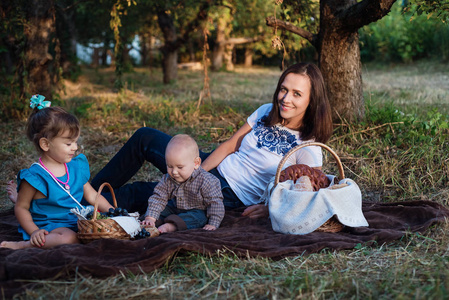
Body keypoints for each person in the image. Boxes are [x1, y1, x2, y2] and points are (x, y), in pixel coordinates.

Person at [88, 62, 333, 219]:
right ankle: (85, 191)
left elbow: (308, 195)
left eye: (297, 94)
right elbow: (229, 146)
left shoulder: (308, 145)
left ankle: (83, 208)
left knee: (142, 193)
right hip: (212, 167)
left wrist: (268, 210)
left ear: (312, 101)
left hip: (229, 192)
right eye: (283, 89)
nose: (285, 98)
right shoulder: (265, 111)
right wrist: (197, 172)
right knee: (145, 138)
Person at [1, 95, 114, 250]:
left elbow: (93, 196)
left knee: (99, 228)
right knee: (69, 238)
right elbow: (21, 207)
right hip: (50, 226)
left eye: (75, 142)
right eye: (68, 143)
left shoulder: (74, 167)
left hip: (75, 221)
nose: (75, 147)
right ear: (45, 144)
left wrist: (113, 212)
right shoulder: (35, 177)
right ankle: (24, 245)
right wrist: (34, 232)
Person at [141, 134, 224, 233]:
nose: (174, 172)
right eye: (170, 166)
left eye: (180, 167)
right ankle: (152, 222)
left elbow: (215, 203)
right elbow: (159, 197)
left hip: (196, 211)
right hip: (175, 208)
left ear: (196, 163)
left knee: (200, 218)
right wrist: (150, 217)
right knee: (161, 209)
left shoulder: (207, 181)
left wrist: (213, 223)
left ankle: (171, 226)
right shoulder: (168, 179)